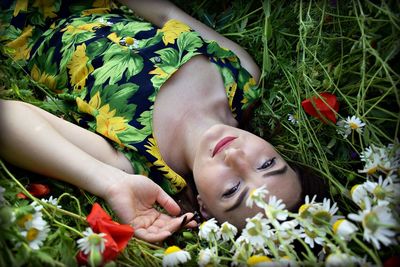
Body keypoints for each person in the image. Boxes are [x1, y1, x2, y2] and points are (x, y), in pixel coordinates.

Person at [0, 0, 308, 243]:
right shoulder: (241, 77)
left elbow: (7, 120)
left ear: (203, 207)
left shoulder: (141, 165)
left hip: (18, 23)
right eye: (267, 164)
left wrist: (111, 183)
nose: (235, 157)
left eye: (231, 189)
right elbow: (164, 12)